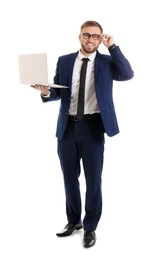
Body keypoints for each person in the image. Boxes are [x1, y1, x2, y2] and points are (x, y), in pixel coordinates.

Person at [33, 20, 134, 248]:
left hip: (93, 127)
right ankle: (73, 221)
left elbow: (127, 74)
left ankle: (90, 227)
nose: (91, 40)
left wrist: (113, 47)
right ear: (79, 36)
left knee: (93, 180)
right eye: (87, 35)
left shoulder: (108, 62)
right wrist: (47, 92)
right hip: (67, 128)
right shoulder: (65, 60)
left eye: (96, 37)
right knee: (69, 178)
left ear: (100, 39)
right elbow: (59, 92)